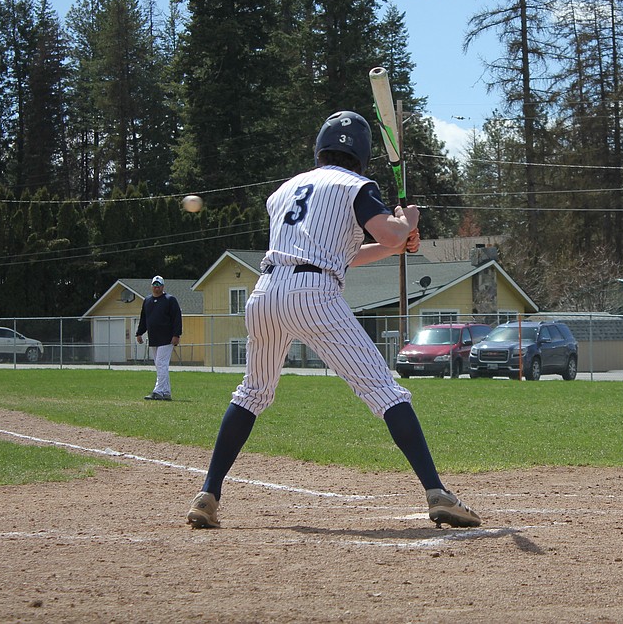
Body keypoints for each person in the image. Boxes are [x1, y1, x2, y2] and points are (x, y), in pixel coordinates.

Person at [186, 110, 480, 530]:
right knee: (385, 392)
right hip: (313, 294)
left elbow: (343, 255)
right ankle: (437, 492)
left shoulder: (285, 190)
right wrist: (406, 224)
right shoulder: (357, 185)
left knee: (252, 393)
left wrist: (396, 241)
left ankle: (208, 494)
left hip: (265, 292)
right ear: (360, 154)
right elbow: (388, 235)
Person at [136, 275, 182, 401]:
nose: (156, 288)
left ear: (163, 286)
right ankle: (166, 392)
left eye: (159, 285)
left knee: (161, 364)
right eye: (154, 285)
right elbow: (144, 319)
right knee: (159, 365)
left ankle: (158, 391)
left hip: (167, 338)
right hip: (154, 338)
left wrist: (176, 335)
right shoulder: (147, 301)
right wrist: (139, 333)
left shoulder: (170, 300)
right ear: (152, 286)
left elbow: (177, 318)